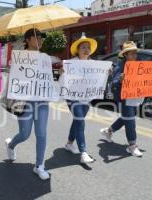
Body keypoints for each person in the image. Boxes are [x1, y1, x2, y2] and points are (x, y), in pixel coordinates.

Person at [4, 28, 51, 180]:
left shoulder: (45, 58)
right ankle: (11, 145)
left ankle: (39, 165)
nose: (40, 40)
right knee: (25, 134)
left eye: (41, 38)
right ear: (28, 40)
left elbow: (48, 79)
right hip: (24, 102)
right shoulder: (20, 57)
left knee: (42, 134)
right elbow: (15, 79)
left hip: (42, 101)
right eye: (37, 37)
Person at [100, 41, 143, 157]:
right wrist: (120, 80)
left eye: (135, 53)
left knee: (126, 117)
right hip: (124, 97)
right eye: (132, 54)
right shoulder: (120, 66)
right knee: (130, 119)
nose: (134, 56)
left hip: (135, 96)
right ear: (125, 55)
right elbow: (113, 83)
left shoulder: (138, 64)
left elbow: (144, 79)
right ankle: (132, 145)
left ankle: (108, 131)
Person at [62, 33, 97, 164]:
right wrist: (62, 73)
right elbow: (63, 79)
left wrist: (106, 73)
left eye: (88, 47)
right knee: (80, 121)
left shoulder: (94, 64)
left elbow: (99, 79)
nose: (86, 49)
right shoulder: (71, 63)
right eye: (83, 47)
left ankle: (69, 143)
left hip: (86, 98)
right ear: (78, 50)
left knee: (77, 120)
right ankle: (83, 152)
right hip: (72, 98)